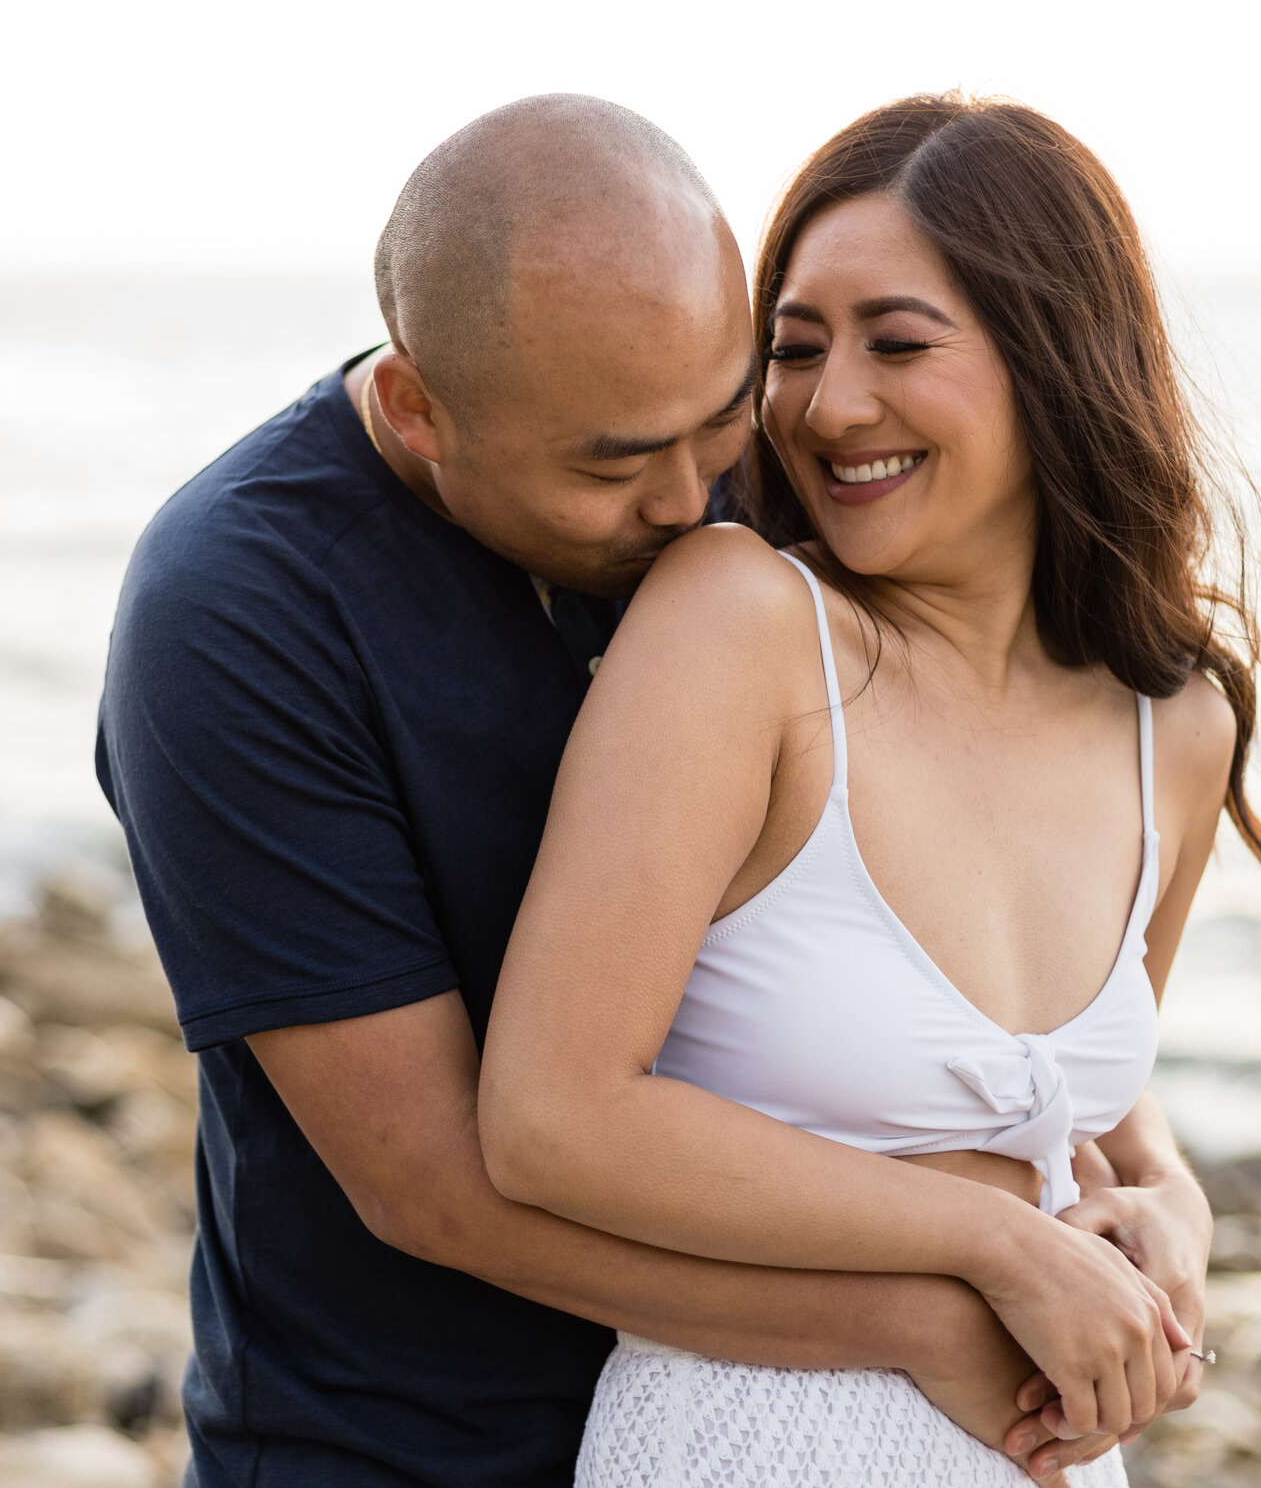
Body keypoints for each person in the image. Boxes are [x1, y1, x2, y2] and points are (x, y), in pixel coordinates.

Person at [97, 95, 1136, 1487]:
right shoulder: (235, 612)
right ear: (419, 409)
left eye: (715, 427)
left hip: (762, 1431)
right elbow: (433, 1183)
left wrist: (1150, 1180)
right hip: (402, 1442)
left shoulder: (739, 477)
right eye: (612, 465)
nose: (690, 501)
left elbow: (968, 909)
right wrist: (916, 1314)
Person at [478, 93, 1261, 1486]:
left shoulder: (1179, 727)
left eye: (898, 343)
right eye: (793, 350)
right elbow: (554, 1117)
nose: (828, 404)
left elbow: (1066, 1095)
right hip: (747, 1443)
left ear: (1058, 361)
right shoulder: (740, 626)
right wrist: (993, 1240)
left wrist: (1172, 1203)